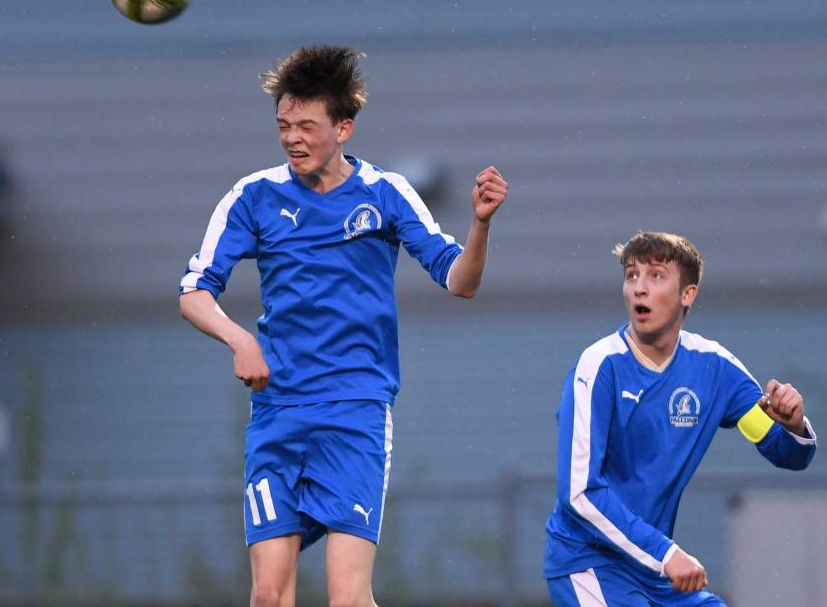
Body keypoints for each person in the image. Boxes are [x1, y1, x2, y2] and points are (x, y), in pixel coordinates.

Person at [179, 45, 507, 607]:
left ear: (344, 128)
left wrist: (478, 226)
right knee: (267, 595)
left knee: (348, 599)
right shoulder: (253, 197)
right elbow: (194, 293)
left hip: (354, 413)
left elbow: (460, 281)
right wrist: (240, 339)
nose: (292, 138)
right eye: (284, 125)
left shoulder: (386, 194)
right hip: (277, 413)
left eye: (307, 125)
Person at [544, 232, 816, 606]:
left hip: (653, 572)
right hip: (588, 563)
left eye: (655, 276)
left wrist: (794, 425)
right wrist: (667, 553)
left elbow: (788, 454)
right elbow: (578, 494)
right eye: (631, 275)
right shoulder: (598, 367)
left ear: (687, 294)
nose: (639, 288)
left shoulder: (715, 369)